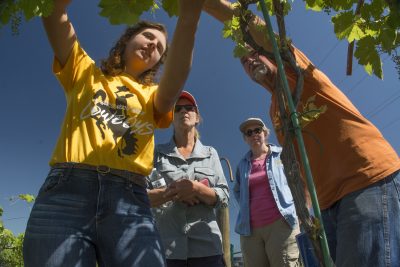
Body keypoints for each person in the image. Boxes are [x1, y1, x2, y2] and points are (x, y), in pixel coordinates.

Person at [203, 1, 400, 266]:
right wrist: (308, 214)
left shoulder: (296, 73)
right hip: (328, 205)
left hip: (365, 180)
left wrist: (207, 4)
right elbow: (297, 161)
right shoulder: (275, 108)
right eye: (242, 61)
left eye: (252, 52)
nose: (248, 60)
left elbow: (255, 27)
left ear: (268, 52)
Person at [23, 0, 206, 266]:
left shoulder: (153, 95)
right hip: (66, 193)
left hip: (129, 199)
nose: (153, 44)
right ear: (128, 38)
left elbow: (177, 77)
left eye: (160, 48)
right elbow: (54, 12)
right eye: (148, 36)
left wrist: (189, 18)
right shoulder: (85, 72)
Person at [147, 91, 229, 267]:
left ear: (197, 117)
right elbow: (141, 196)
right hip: (166, 249)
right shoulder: (156, 153)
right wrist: (173, 192)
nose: (184, 111)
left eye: (189, 108)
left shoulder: (210, 153)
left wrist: (197, 189)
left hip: (207, 249)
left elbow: (223, 196)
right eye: (177, 108)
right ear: (170, 117)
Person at [234, 117, 300, 267]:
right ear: (245, 139)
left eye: (257, 130)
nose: (254, 134)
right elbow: (237, 191)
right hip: (250, 231)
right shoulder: (242, 165)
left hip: (281, 225)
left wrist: (297, 209)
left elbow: (296, 181)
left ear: (265, 133)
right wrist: (246, 207)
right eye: (249, 132)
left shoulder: (281, 155)